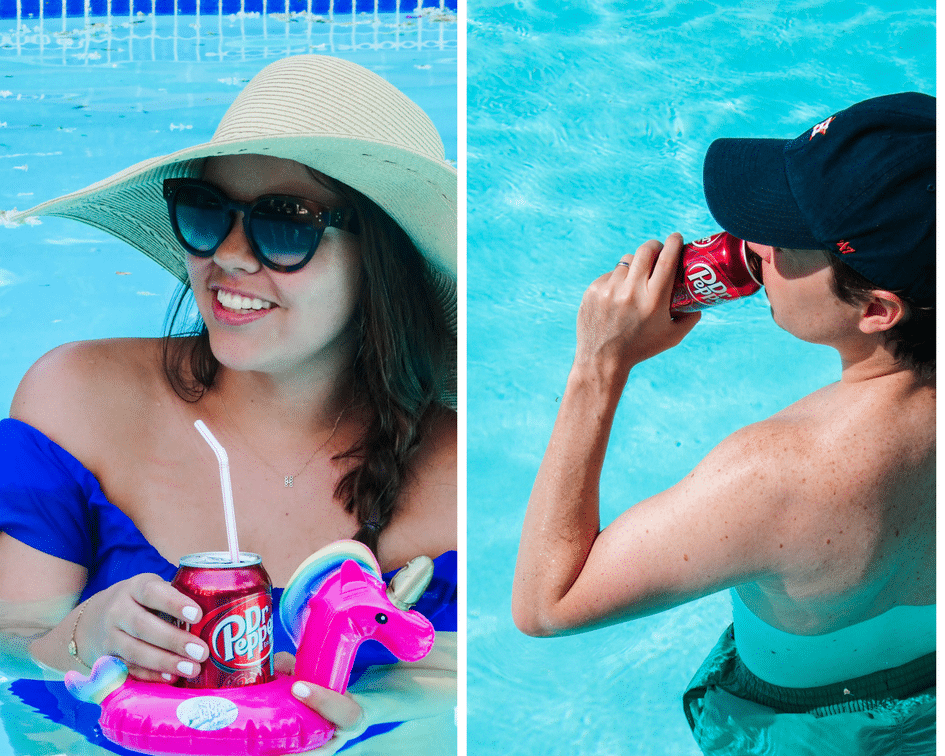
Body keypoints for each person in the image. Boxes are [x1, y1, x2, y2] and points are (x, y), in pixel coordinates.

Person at [0, 54, 457, 752]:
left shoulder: (455, 481)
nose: (232, 258)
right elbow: (10, 658)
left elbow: (456, 712)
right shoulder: (78, 402)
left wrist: (362, 725)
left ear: (380, 260)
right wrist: (78, 637)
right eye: (207, 213)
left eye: (285, 223)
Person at [512, 92, 934, 755]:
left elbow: (546, 605)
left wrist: (599, 364)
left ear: (878, 308)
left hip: (808, 733)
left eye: (786, 240)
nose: (753, 246)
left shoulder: (778, 472)